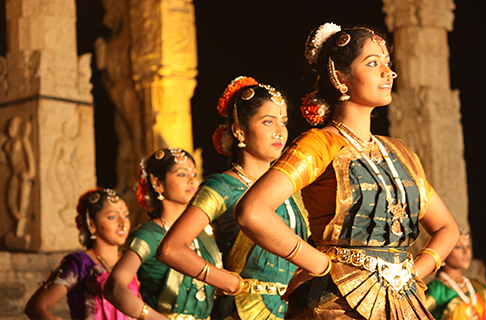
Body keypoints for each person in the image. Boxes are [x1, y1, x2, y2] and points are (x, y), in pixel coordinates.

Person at [234, 23, 460, 319]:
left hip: (404, 302)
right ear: (340, 78)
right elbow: (252, 211)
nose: (387, 72)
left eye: (387, 64)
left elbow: (448, 229)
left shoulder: (399, 153)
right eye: (372, 63)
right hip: (337, 303)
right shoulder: (320, 143)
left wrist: (413, 272)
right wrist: (318, 263)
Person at [156, 76, 309, 320]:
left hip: (296, 309)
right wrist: (225, 281)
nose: (280, 131)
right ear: (239, 131)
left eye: (283, 122)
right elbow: (171, 249)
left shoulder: (292, 188)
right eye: (268, 122)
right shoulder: (222, 186)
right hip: (242, 310)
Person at [104, 148, 221, 320]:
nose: (192, 180)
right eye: (181, 174)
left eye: (194, 174)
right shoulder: (149, 234)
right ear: (158, 183)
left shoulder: (203, 236)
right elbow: (114, 287)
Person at [25, 188, 137, 320]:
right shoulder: (80, 264)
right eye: (112, 217)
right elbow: (36, 307)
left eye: (125, 215)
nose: (123, 224)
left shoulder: (129, 260)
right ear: (91, 224)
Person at [425, 229, 486, 320]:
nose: (466, 252)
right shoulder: (437, 289)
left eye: (468, 246)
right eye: (458, 247)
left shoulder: (478, 287)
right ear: (443, 252)